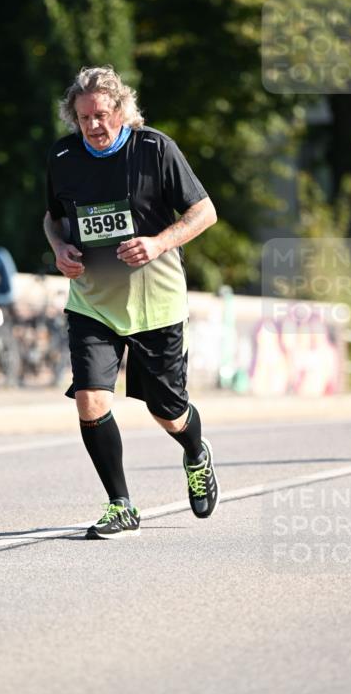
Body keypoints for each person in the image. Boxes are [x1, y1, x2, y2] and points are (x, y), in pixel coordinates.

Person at [43, 66, 220, 539]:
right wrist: (59, 248)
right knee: (90, 399)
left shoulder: (154, 149)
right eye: (84, 118)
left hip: (155, 304)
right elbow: (53, 217)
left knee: (168, 412)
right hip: (92, 303)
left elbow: (204, 211)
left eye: (101, 115)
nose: (93, 126)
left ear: (120, 110)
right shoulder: (62, 156)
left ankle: (196, 453)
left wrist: (159, 243)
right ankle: (121, 504)